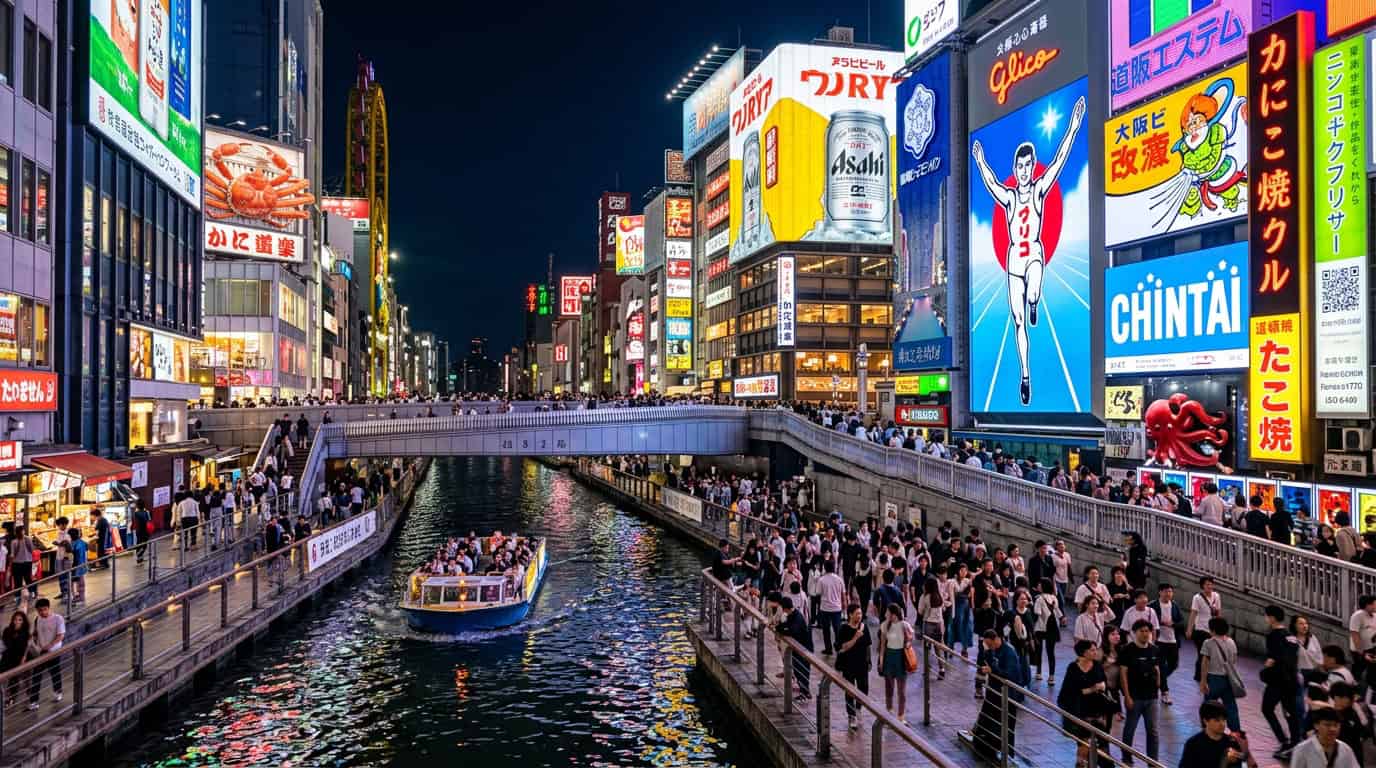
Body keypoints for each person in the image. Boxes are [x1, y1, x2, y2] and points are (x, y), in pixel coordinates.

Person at [970, 93, 1086, 405]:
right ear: (1015, 167)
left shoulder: (1038, 191)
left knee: (1033, 292)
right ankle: (1025, 375)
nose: (1023, 170)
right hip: (1013, 260)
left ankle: (1034, 301)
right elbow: (991, 183)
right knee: (1018, 322)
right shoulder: (1009, 198)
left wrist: (1073, 127)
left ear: (1033, 167)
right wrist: (980, 161)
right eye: (1019, 166)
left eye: (1027, 165)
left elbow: (1059, 161)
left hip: (1033, 252)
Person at [973, 628, 1026, 762]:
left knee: (1006, 727)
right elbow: (986, 663)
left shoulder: (1009, 653)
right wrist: (986, 652)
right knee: (990, 724)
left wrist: (992, 670)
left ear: (995, 639)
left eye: (989, 644)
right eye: (987, 645)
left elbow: (1010, 675)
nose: (989, 647)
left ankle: (1007, 755)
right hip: (994, 694)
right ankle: (991, 749)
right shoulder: (992, 650)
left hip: (1007, 697)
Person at [1058, 639, 1111, 768]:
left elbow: (1104, 683)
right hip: (1080, 711)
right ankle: (1081, 764)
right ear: (1084, 652)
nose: (1095, 652)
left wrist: (1102, 687)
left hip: (1097, 710)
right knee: (1083, 743)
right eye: (1092, 650)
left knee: (1103, 743)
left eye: (1095, 650)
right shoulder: (1073, 668)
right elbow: (1070, 691)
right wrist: (1092, 689)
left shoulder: (1097, 665)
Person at [1118, 619, 1162, 763]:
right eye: (1141, 631)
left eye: (1147, 631)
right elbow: (1123, 673)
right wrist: (1127, 696)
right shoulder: (1127, 650)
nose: (1145, 634)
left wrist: (1159, 683)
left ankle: (1153, 761)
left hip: (1152, 697)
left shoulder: (1154, 650)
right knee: (1130, 728)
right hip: (1135, 696)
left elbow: (1157, 668)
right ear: (1134, 633)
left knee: (1153, 730)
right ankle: (1126, 757)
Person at [1261, 605, 1302, 758]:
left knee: (1267, 708)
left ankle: (1284, 741)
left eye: (1266, 616)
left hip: (1277, 680)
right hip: (1292, 680)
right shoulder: (1291, 636)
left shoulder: (1273, 635)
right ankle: (1295, 742)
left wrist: (1267, 666)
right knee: (1290, 712)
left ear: (1272, 618)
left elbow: (1273, 658)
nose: (1266, 619)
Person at [1198, 617, 1242, 732]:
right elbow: (1234, 660)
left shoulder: (1208, 643)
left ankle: (1207, 729)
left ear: (1212, 630)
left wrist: (1203, 681)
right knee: (1231, 706)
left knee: (1209, 706)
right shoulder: (1231, 642)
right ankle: (1236, 732)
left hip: (1214, 678)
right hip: (1228, 679)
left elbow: (1205, 663)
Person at [834, 603, 872, 732]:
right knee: (849, 690)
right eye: (857, 614)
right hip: (848, 664)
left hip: (862, 664)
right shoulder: (844, 629)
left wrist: (869, 661)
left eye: (860, 613)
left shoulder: (864, 627)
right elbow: (841, 647)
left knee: (863, 689)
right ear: (850, 615)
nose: (859, 616)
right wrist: (855, 637)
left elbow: (868, 645)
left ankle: (858, 708)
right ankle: (851, 715)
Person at [1178, 701, 1250, 768]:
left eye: (1224, 719)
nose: (1222, 724)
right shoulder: (1193, 744)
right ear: (1205, 721)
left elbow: (1243, 763)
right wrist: (1224, 762)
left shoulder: (1231, 742)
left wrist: (1245, 751)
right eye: (1217, 720)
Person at [1149, 583, 1185, 705]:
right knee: (1161, 665)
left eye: (1170, 591)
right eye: (1165, 591)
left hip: (1172, 640)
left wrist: (1173, 624)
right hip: (1159, 641)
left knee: (1173, 664)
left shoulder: (1174, 605)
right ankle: (1165, 692)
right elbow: (1148, 621)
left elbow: (1181, 622)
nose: (1168, 594)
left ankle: (1158, 678)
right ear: (1160, 592)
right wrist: (1160, 623)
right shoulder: (1153, 606)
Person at [1289, 707, 1359, 768]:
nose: (1332, 729)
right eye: (1327, 725)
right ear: (1316, 725)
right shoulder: (1302, 749)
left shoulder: (1345, 749)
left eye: (1336, 725)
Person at [877, 603, 914, 720]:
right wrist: (881, 661)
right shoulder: (884, 625)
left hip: (901, 658)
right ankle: (889, 711)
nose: (885, 614)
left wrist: (908, 643)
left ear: (893, 614)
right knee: (889, 687)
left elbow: (911, 637)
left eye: (887, 612)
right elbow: (882, 645)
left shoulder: (904, 625)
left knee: (901, 690)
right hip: (889, 657)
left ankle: (901, 716)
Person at [26, 599, 63, 710]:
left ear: (48, 608)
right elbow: (36, 633)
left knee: (55, 672)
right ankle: (34, 701)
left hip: (54, 651)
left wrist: (50, 645)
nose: (42, 612)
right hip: (41, 651)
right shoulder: (37, 619)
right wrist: (35, 641)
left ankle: (57, 691)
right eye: (40, 610)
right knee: (36, 675)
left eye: (44, 609)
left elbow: (60, 635)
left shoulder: (58, 618)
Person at [776, 596, 812, 700]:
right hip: (797, 648)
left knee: (802, 671)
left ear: (784, 608)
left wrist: (783, 629)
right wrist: (781, 628)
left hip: (804, 648)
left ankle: (805, 692)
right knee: (797, 670)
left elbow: (791, 631)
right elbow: (783, 626)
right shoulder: (791, 615)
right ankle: (803, 691)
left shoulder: (797, 617)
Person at [1190, 577, 1223, 680]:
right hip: (1200, 629)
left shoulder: (1216, 596)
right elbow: (1193, 613)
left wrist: (1220, 628)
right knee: (1202, 653)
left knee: (1211, 654)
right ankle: (1199, 675)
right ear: (1202, 586)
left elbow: (1218, 612)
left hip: (1212, 630)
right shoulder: (1197, 598)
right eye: (1207, 584)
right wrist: (1189, 629)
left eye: (1211, 584)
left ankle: (1205, 674)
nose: (1209, 586)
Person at [1032, 578, 1063, 684]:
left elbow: (1037, 613)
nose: (1038, 586)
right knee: (1051, 652)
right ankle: (1051, 676)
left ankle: (1039, 673)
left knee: (1039, 651)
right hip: (1052, 628)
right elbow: (1057, 612)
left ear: (1043, 586)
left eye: (1039, 584)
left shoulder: (1039, 599)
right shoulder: (1054, 598)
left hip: (1040, 627)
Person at [816, 559, 845, 655]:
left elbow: (818, 593)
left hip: (825, 608)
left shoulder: (821, 580)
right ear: (834, 567)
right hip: (837, 608)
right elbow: (843, 594)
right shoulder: (839, 579)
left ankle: (828, 649)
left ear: (824, 568)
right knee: (837, 630)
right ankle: (839, 648)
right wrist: (844, 605)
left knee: (826, 630)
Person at [0, 610, 28, 704]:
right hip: (6, 657)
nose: (17, 622)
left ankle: (11, 699)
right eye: (15, 619)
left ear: (23, 621)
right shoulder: (7, 630)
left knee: (14, 680)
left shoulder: (25, 633)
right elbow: (5, 644)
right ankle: (4, 697)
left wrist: (23, 659)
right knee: (2, 677)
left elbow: (24, 648)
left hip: (17, 659)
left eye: (20, 620)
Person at [1348, 595, 1376, 681]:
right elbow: (1355, 635)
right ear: (1368, 605)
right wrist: (1363, 654)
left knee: (1372, 672)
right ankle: (1352, 685)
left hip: (1372, 648)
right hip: (1359, 651)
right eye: (1375, 604)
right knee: (1357, 672)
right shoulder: (1357, 616)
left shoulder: (1374, 615)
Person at [68, 528, 88, 604]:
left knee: (74, 581)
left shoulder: (74, 543)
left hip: (76, 565)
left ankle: (77, 597)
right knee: (80, 581)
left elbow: (73, 553)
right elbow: (86, 548)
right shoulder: (82, 542)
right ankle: (81, 596)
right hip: (82, 563)